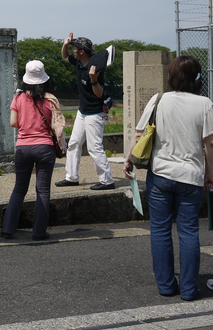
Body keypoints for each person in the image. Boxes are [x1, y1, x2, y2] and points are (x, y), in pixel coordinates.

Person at [124, 55, 213, 300]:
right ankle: (188, 289)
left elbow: (139, 134)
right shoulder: (205, 104)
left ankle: (165, 286)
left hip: (160, 175)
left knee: (160, 231)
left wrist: (128, 160)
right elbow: (209, 145)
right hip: (191, 177)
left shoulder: (158, 99)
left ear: (172, 76)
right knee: (188, 232)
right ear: (197, 78)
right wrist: (210, 174)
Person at [3, 61, 66, 241]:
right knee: (43, 191)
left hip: (23, 147)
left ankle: (8, 229)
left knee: (19, 189)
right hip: (45, 147)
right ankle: (39, 232)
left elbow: (13, 123)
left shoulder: (19, 98)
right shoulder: (51, 100)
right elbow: (57, 126)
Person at [55, 33, 114, 190]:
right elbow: (65, 56)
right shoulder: (78, 63)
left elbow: (99, 93)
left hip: (95, 113)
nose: (73, 50)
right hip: (83, 112)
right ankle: (72, 177)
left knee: (94, 147)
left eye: (74, 48)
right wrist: (65, 44)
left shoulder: (96, 68)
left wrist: (93, 79)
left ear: (81, 51)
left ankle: (107, 181)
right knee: (74, 144)